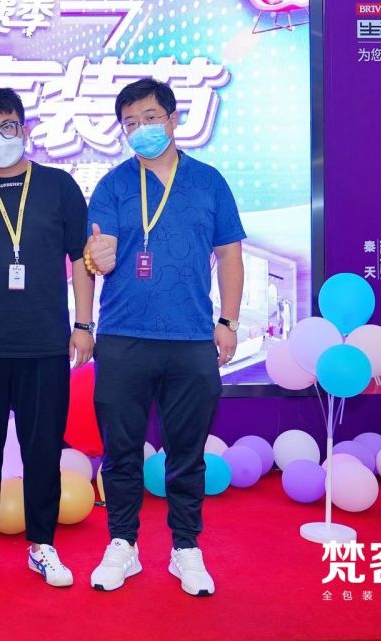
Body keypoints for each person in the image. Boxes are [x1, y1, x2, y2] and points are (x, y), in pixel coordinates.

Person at [83, 78, 245, 597]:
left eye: (150, 118)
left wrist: (229, 322)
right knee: (121, 450)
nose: (141, 129)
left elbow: (229, 255)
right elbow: (97, 252)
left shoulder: (208, 181)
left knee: (187, 451)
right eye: (130, 123)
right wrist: (97, 257)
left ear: (173, 120)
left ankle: (186, 547)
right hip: (123, 335)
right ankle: (122, 544)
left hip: (191, 336)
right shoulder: (113, 185)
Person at [0, 88, 94, 588]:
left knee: (42, 449)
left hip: (45, 343)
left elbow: (81, 259)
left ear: (23, 128)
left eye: (7, 126)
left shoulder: (58, 186)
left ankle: (42, 545)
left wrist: (84, 324)